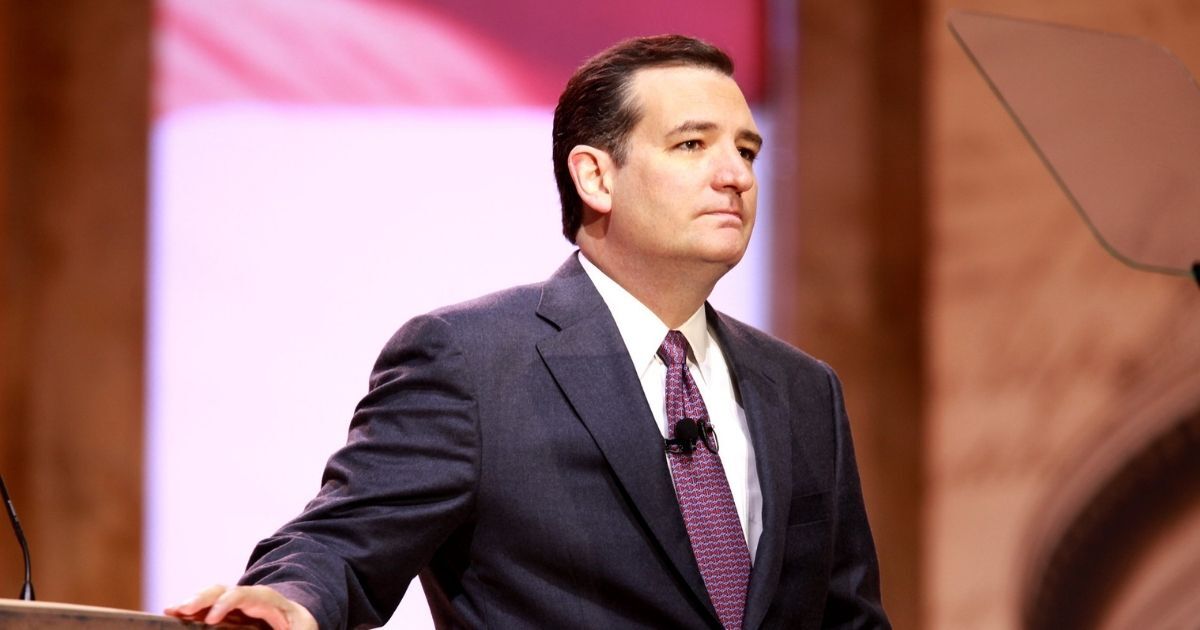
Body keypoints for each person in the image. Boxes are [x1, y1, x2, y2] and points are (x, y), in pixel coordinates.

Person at [166, 34, 889, 629]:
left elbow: (847, 616)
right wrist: (288, 599)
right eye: (693, 144)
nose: (734, 173)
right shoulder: (473, 363)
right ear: (596, 178)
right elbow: (342, 541)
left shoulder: (803, 391)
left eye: (748, 150)